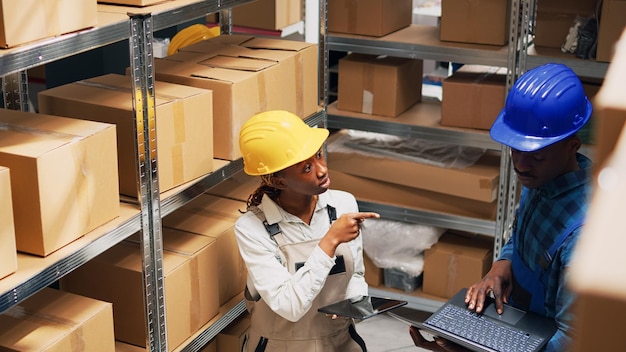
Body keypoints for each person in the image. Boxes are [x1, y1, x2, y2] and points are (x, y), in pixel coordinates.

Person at [410, 63, 593, 352]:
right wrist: (500, 266)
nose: (520, 165)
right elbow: (521, 235)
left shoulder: (585, 237)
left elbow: (573, 341)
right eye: (515, 148)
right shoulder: (540, 178)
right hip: (521, 323)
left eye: (536, 155)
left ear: (572, 145)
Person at [234, 110, 380, 351]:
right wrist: (330, 241)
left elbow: (355, 274)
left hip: (340, 342)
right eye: (306, 168)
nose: (322, 170)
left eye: (319, 156)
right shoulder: (251, 228)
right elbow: (288, 306)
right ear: (279, 182)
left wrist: (354, 301)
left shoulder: (343, 204)